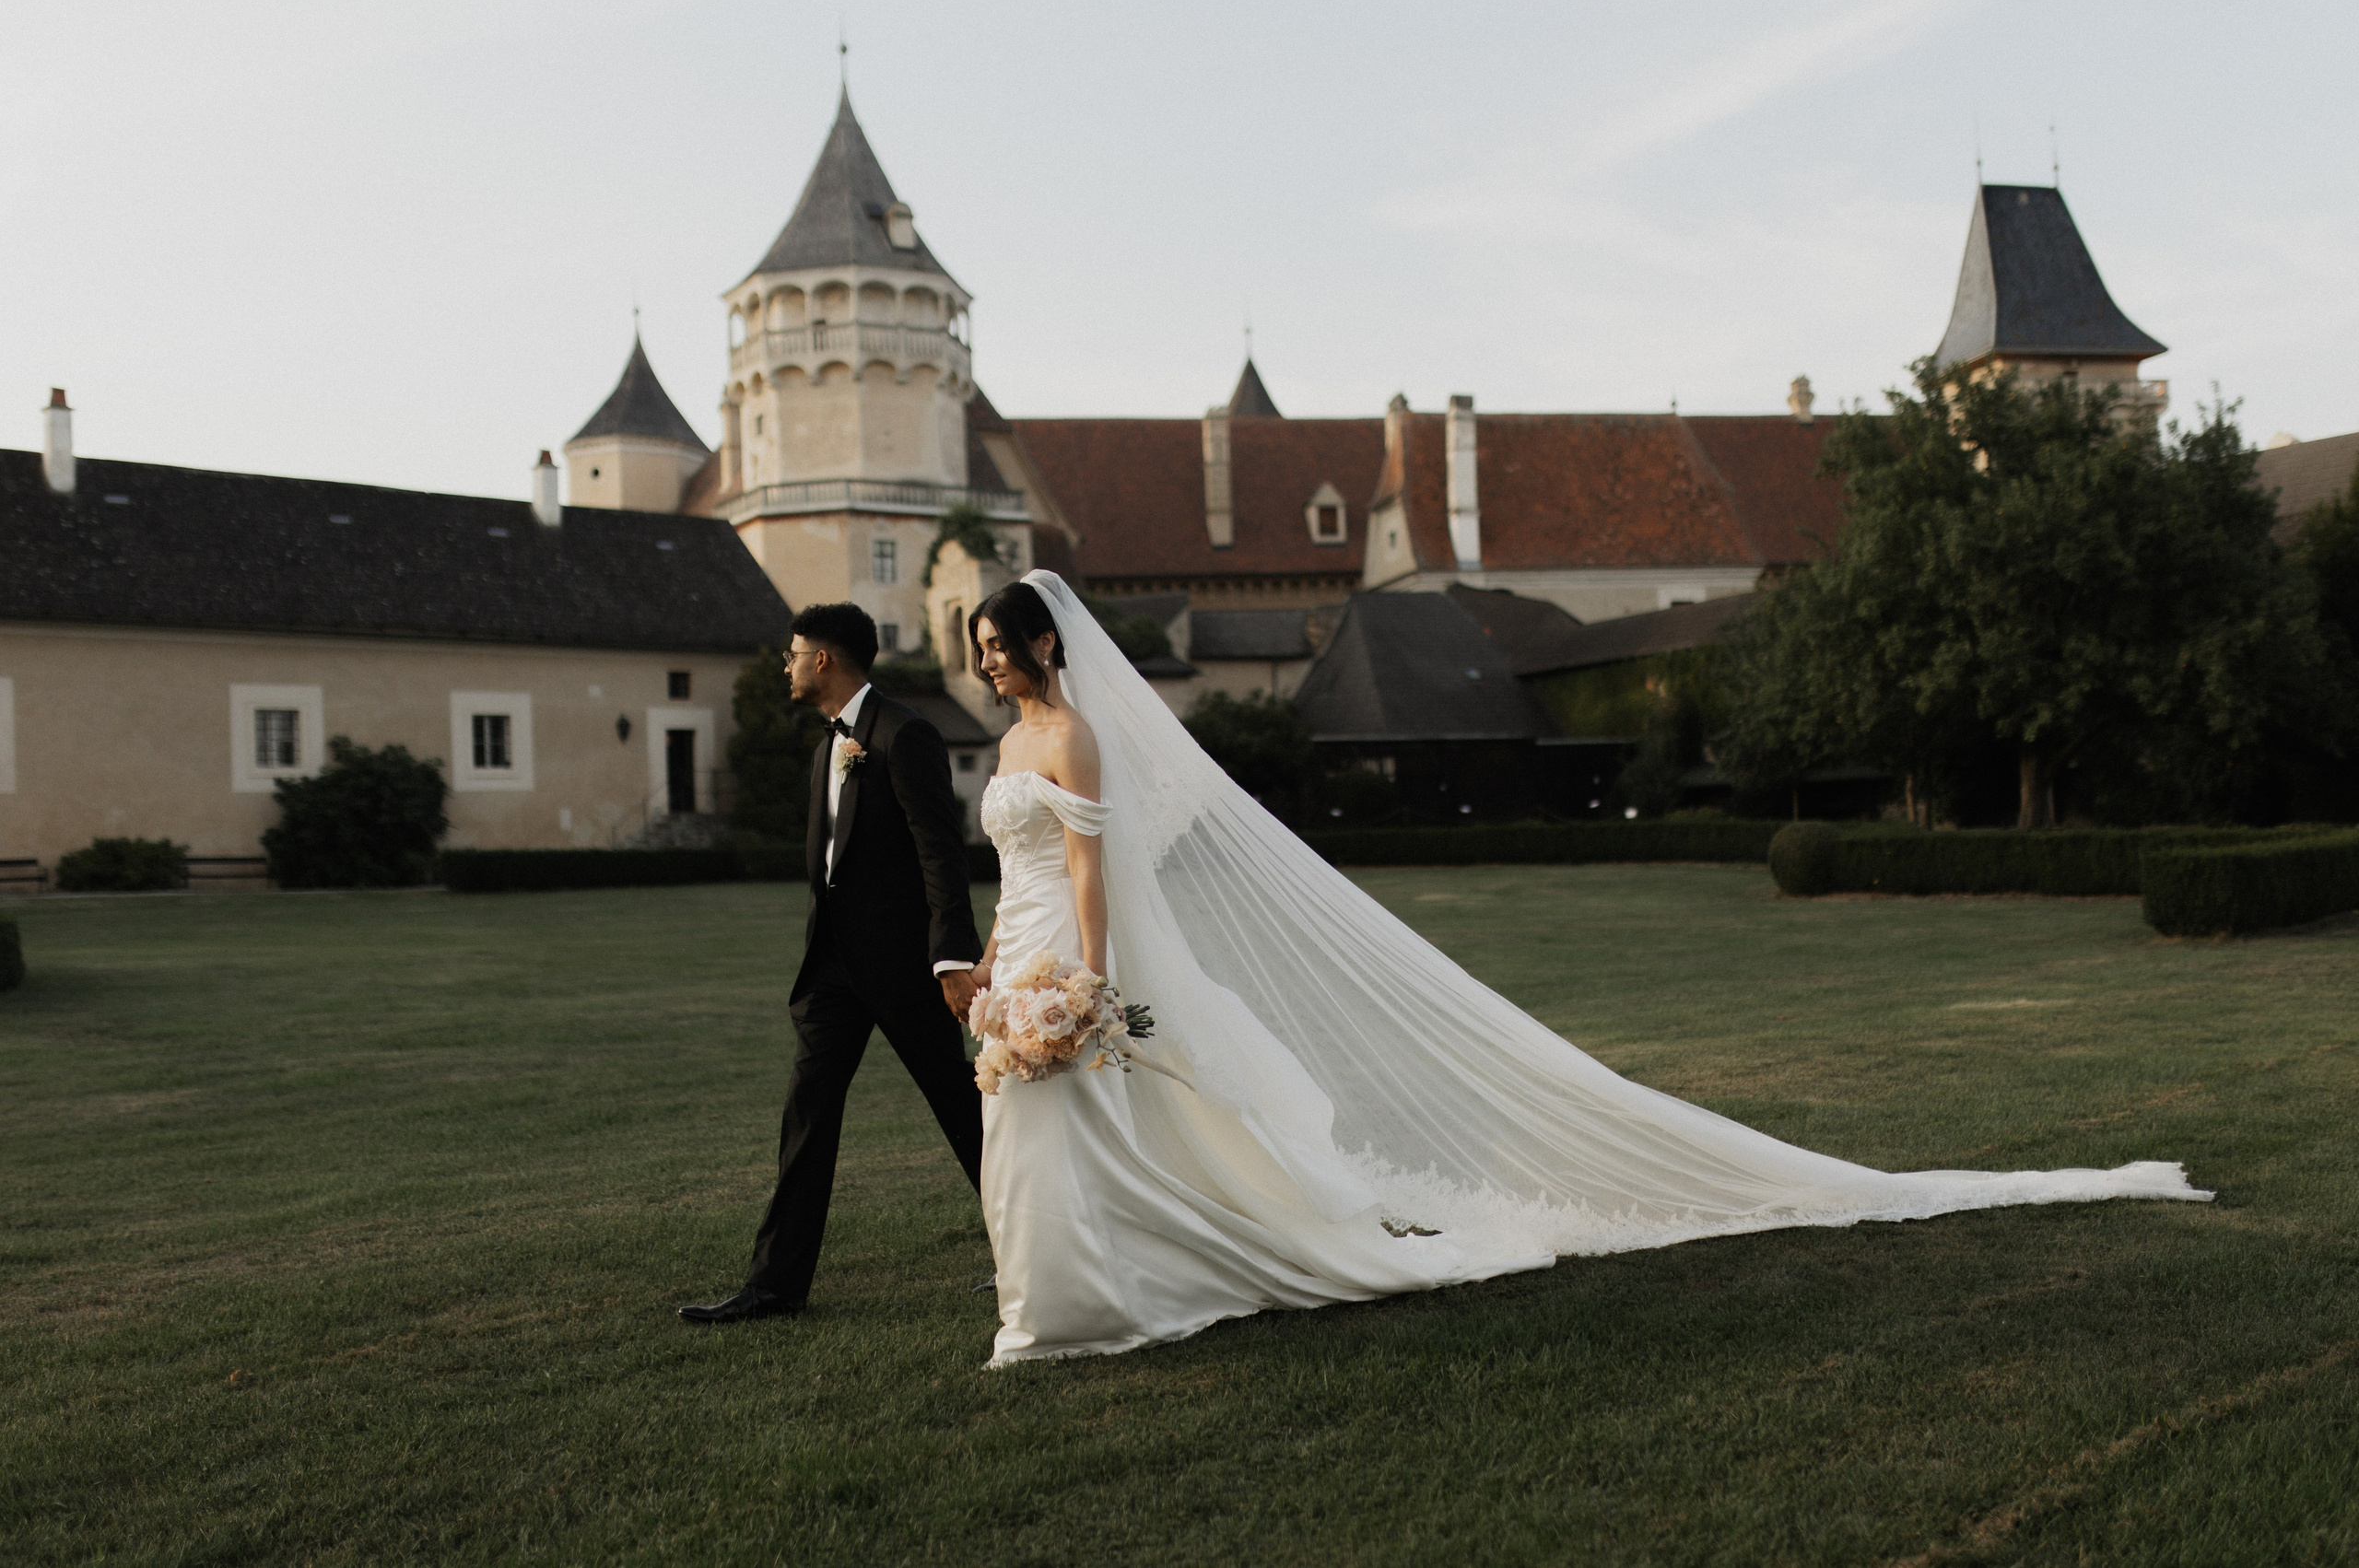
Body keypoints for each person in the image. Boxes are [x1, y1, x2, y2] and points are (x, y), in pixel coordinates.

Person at [962, 572, 2210, 1368]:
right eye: (978, 650)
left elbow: (1091, 867)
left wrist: (1090, 980)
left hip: (1071, 955)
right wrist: (996, 967)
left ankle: (1087, 1301)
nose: (989, 663)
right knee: (1046, 1128)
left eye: (999, 644)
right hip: (1017, 948)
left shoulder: (1070, 732)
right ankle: (1065, 1295)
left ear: (1040, 642)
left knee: (1085, 1110)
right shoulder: (1014, 735)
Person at [678, 603, 982, 1324]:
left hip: (909, 969)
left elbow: (941, 853)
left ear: (824, 659)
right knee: (806, 1116)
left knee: (967, 1113)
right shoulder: (826, 749)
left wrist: (951, 959)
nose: (784, 666)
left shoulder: (905, 734)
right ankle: (775, 1285)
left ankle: (1040, 1254)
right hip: (832, 974)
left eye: (792, 653)